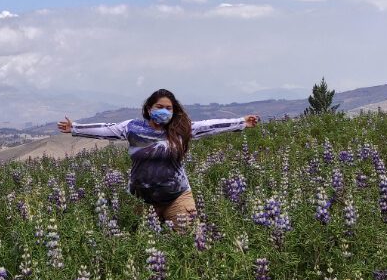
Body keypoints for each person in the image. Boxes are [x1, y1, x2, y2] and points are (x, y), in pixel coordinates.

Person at [57, 88, 259, 230]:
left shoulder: (181, 129)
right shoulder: (133, 127)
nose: (164, 111)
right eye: (159, 106)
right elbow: (107, 129)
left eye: (169, 108)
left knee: (185, 246)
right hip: (140, 200)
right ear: (149, 108)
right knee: (139, 247)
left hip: (177, 197)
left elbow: (210, 126)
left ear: (174, 110)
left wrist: (241, 122)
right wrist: (75, 127)